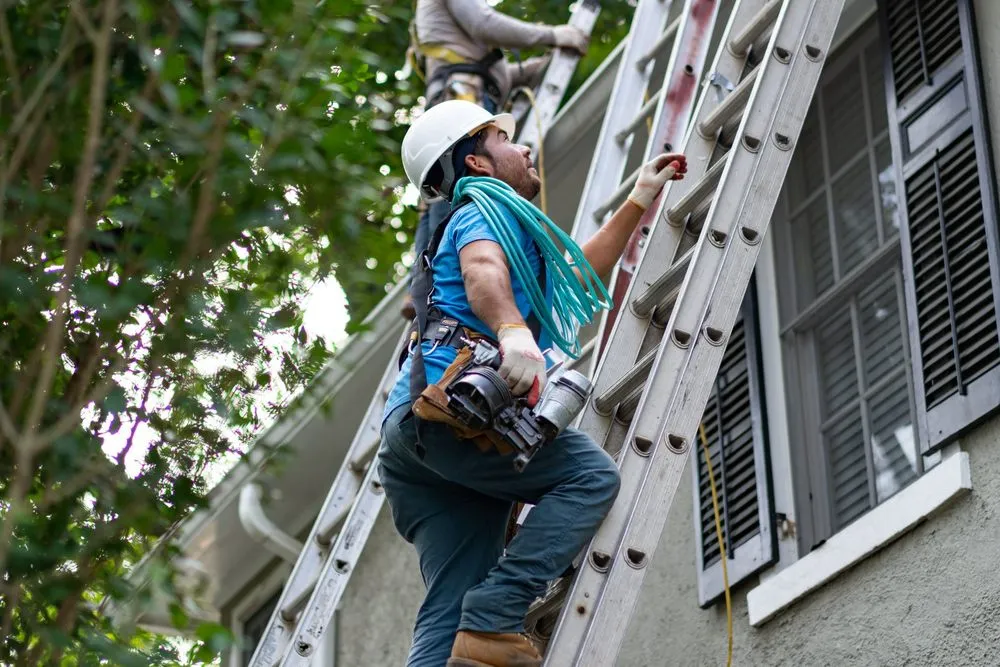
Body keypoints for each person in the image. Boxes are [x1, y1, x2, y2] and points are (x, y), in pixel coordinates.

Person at [379, 99, 686, 667]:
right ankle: (497, 614)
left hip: (414, 436)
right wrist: (513, 332)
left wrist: (638, 200)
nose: (523, 146)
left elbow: (571, 277)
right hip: (457, 419)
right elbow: (482, 271)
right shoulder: (481, 212)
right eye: (504, 138)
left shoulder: (492, 222)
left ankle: (480, 629)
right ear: (477, 164)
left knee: (450, 612)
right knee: (589, 477)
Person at [401, 0, 590, 320]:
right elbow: (484, 23)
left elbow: (495, 69)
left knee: (438, 208)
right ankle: (445, 288)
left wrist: (546, 65)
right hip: (462, 99)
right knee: (460, 201)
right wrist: (553, 35)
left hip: (466, 92)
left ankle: (422, 290)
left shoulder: (462, 48)